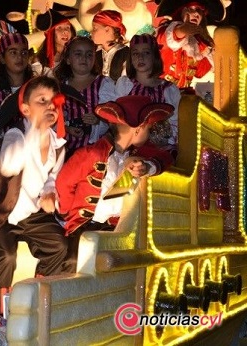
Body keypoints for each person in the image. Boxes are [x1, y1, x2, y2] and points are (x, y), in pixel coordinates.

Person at [0, 75, 75, 315]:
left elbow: (52, 176)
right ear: (25, 109)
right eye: (42, 100)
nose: (50, 106)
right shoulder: (16, 136)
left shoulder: (58, 143)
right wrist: (35, 132)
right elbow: (9, 166)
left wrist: (49, 193)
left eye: (53, 101)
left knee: (58, 246)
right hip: (3, 211)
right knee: (7, 256)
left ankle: (39, 304)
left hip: (31, 214)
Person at [56, 96, 174, 255]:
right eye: (149, 128)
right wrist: (67, 215)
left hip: (113, 228)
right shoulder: (92, 153)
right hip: (83, 229)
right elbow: (63, 183)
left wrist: (147, 166)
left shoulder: (132, 154)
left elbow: (166, 157)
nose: (150, 133)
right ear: (138, 129)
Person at [114, 34, 181, 156]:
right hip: (129, 146)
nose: (140, 57)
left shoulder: (169, 89)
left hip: (159, 148)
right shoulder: (125, 84)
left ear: (155, 56)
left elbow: (175, 122)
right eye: (135, 53)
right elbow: (117, 117)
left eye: (146, 53)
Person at [54, 36, 114, 159]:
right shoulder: (59, 87)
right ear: (68, 59)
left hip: (94, 151)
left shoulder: (104, 84)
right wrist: (66, 128)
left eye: (89, 54)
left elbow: (112, 118)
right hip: (64, 151)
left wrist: (98, 120)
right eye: (78, 54)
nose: (84, 58)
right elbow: (52, 118)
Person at [0, 32, 34, 145]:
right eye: (13, 52)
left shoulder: (36, 87)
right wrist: (3, 143)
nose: (19, 57)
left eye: (24, 52)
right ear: (2, 58)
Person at [155, 0, 224, 89]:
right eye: (191, 9)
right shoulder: (164, 31)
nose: (196, 13)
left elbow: (200, 72)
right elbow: (169, 37)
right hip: (159, 94)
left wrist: (212, 51)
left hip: (182, 96)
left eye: (199, 10)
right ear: (181, 11)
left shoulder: (197, 44)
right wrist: (183, 30)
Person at [33, 8, 76, 74]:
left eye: (67, 27)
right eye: (59, 28)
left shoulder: (76, 56)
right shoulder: (39, 61)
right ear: (51, 34)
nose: (65, 31)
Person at [91, 10, 129, 82]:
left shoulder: (125, 54)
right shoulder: (95, 53)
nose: (91, 32)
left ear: (107, 29)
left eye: (95, 28)